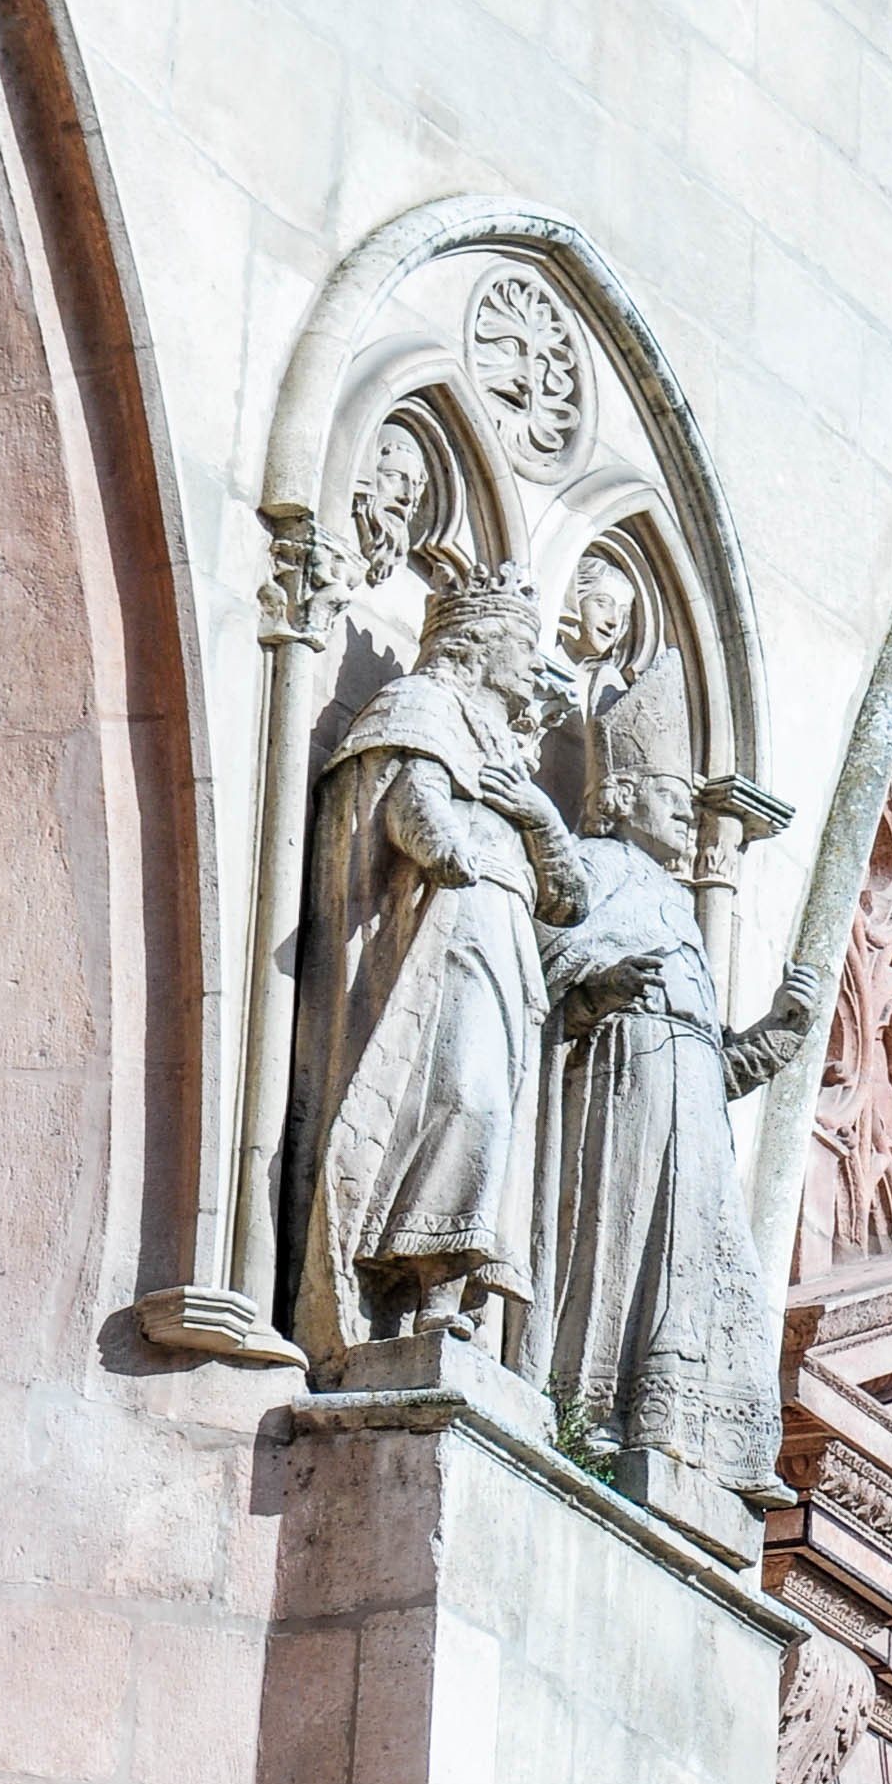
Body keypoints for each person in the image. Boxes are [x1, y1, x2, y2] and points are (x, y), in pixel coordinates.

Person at [487, 655, 817, 1522]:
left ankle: (687, 1429)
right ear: (623, 795)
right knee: (619, 1237)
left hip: (690, 1108)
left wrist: (776, 1033)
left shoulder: (678, 906)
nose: (685, 811)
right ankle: (593, 1409)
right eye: (671, 794)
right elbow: (542, 971)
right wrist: (599, 992)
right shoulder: (598, 865)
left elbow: (714, 1061)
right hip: (618, 1084)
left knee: (699, 1258)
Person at [283, 569, 583, 1371]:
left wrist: (540, 820)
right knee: (462, 1097)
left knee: (495, 1115)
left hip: (507, 939)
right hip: (449, 924)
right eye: (522, 645)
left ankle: (441, 1302)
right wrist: (443, 846)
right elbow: (408, 794)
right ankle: (399, 1275)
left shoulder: (511, 758)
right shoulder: (424, 705)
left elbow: (571, 900)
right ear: (475, 645)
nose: (534, 665)